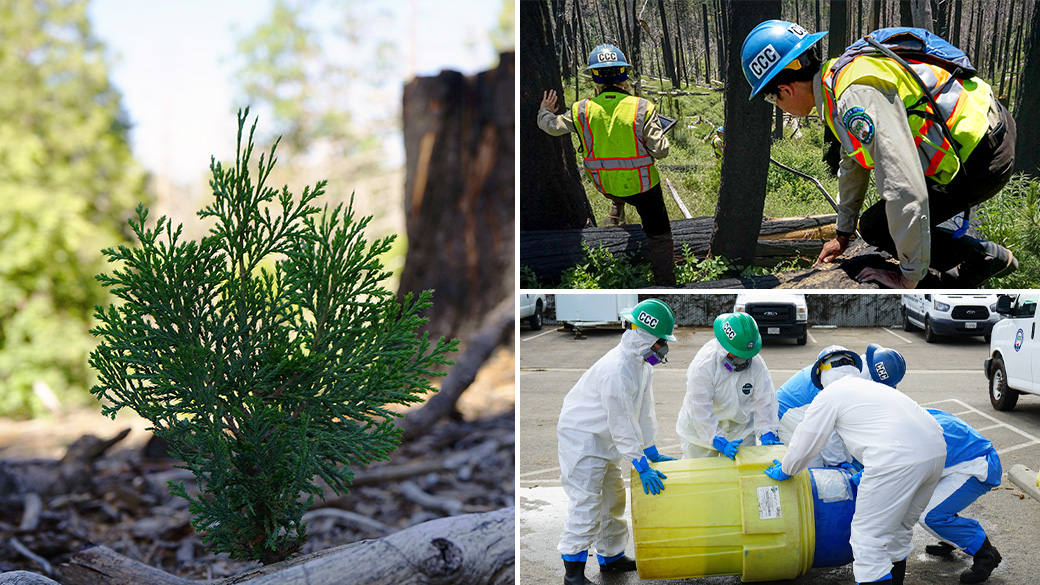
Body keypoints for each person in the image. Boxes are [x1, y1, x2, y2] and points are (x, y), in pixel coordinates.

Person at [740, 21, 1017, 288]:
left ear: (784, 89)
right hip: (987, 130)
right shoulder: (837, 80)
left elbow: (903, 187)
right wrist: (844, 233)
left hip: (984, 157)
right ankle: (967, 266)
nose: (777, 105)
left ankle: (982, 258)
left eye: (771, 97)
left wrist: (907, 277)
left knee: (878, 228)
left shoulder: (853, 95)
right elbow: (853, 162)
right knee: (875, 225)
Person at [764, 346, 946, 585]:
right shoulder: (875, 388)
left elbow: (806, 442)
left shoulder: (830, 394)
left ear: (822, 372)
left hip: (895, 460)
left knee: (867, 541)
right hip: (935, 452)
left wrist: (787, 469)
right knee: (899, 531)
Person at [556, 298, 678, 585]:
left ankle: (611, 557)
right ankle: (572, 573)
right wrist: (639, 462)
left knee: (612, 497)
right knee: (586, 503)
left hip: (605, 439)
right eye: (661, 341)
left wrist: (650, 449)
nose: (663, 347)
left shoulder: (641, 365)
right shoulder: (617, 369)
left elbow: (644, 409)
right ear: (645, 336)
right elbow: (622, 421)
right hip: (583, 439)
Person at [538, 44, 675, 286]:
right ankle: (665, 281)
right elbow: (661, 151)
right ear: (625, 75)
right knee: (660, 236)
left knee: (619, 185)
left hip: (606, 185)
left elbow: (550, 126)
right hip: (644, 188)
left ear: (594, 77)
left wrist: (544, 111)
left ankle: (616, 211)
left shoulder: (580, 110)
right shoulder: (643, 107)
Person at [676, 312, 781, 459]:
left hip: (740, 431)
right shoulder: (704, 365)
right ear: (725, 348)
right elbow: (699, 406)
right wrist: (715, 438)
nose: (743, 360)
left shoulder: (757, 364)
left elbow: (765, 400)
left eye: (746, 354)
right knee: (700, 478)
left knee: (743, 477)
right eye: (737, 355)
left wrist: (767, 431)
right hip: (700, 433)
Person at [918, 409, 1003, 584]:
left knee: (927, 514)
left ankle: (985, 553)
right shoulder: (910, 412)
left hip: (977, 467)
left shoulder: (905, 434)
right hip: (963, 459)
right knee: (928, 500)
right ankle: (951, 538)